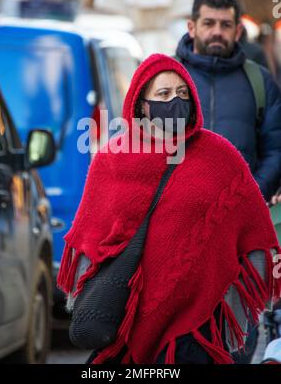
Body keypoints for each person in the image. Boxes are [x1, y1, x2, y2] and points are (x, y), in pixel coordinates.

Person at [57, 54, 281, 365]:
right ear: (141, 104)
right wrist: (86, 302)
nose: (175, 100)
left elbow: (254, 234)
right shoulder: (112, 160)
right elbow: (88, 239)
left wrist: (236, 314)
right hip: (124, 321)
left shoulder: (219, 155)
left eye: (183, 93)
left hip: (197, 329)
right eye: (163, 94)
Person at [175, 0, 281, 205]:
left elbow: (276, 150)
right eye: (208, 23)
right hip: (177, 212)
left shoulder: (259, 80)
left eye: (225, 25)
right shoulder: (165, 77)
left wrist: (249, 195)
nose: (217, 31)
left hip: (241, 217)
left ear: (238, 31)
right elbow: (143, 145)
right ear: (192, 27)